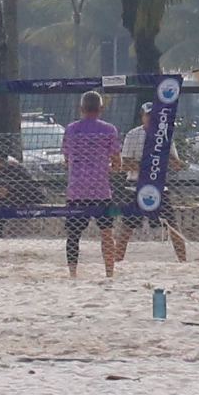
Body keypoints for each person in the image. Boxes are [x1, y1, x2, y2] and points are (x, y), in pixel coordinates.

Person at [62, 89, 125, 277]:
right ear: (101, 108)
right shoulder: (109, 130)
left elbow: (67, 160)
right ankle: (109, 272)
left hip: (77, 191)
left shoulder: (71, 129)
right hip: (100, 190)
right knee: (107, 234)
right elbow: (117, 162)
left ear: (81, 108)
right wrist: (106, 168)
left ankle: (73, 273)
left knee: (73, 235)